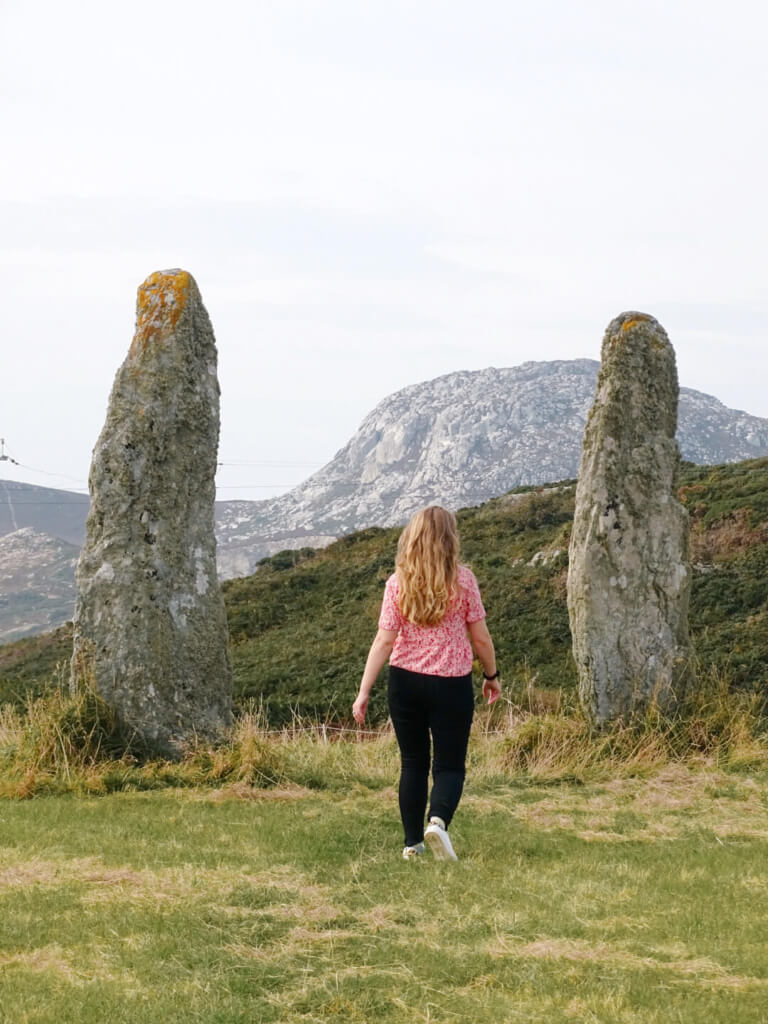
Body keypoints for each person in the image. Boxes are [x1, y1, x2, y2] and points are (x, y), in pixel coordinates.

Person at [352, 505, 501, 861]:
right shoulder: (463, 580)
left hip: (405, 682)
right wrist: (491, 676)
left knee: (412, 762)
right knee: (449, 765)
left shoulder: (397, 582)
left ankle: (412, 844)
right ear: (450, 540)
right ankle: (437, 822)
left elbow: (383, 641)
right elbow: (480, 638)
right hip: (451, 682)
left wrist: (364, 691)